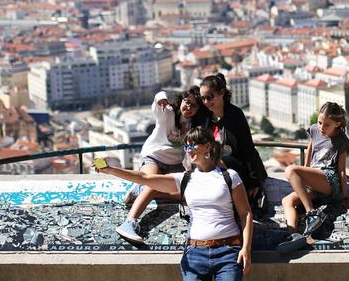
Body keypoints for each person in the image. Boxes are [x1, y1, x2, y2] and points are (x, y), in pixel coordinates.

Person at [97, 127, 253, 280]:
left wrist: (246, 248)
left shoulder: (229, 176)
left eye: (193, 145)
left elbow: (245, 213)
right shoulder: (185, 178)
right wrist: (110, 170)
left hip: (228, 251)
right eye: (186, 146)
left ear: (208, 146)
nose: (189, 150)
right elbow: (144, 179)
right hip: (195, 252)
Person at [116, 87, 209, 243]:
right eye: (187, 102)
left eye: (194, 106)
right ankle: (129, 223)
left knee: (188, 194)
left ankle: (141, 189)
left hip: (174, 165)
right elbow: (158, 103)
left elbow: (188, 152)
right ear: (182, 99)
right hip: (154, 156)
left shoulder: (194, 126)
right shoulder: (169, 113)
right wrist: (161, 98)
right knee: (152, 183)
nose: (189, 108)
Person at [276, 102, 349, 253]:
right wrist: (305, 171)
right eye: (319, 122)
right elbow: (310, 148)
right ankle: (294, 236)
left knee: (291, 170)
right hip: (315, 182)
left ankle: (311, 213)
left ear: (337, 124)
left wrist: (345, 197)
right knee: (287, 200)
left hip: (329, 180)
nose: (321, 128)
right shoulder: (314, 130)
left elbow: (342, 171)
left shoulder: (342, 141)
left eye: (326, 125)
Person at [199, 73, 267, 211]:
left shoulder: (235, 115)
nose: (206, 102)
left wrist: (253, 181)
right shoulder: (206, 116)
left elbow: (247, 148)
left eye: (209, 97)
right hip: (214, 170)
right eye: (203, 98)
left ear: (222, 93)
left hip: (235, 166)